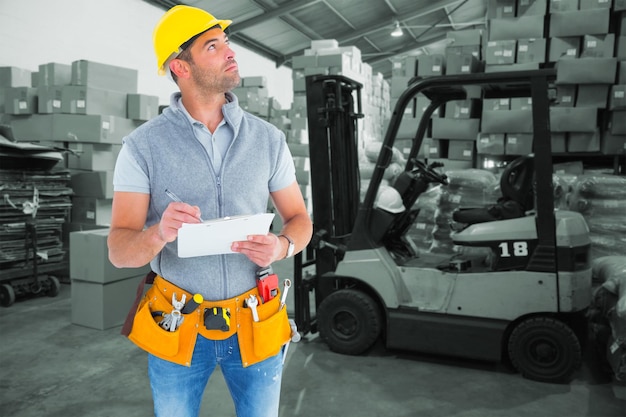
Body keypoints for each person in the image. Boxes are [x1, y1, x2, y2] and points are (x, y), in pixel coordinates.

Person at [107, 5, 312, 417]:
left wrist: (282, 246)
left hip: (255, 319)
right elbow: (119, 250)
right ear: (180, 67)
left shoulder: (268, 140)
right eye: (213, 46)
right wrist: (158, 234)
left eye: (227, 43)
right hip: (178, 323)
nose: (230, 53)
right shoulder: (143, 147)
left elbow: (300, 221)